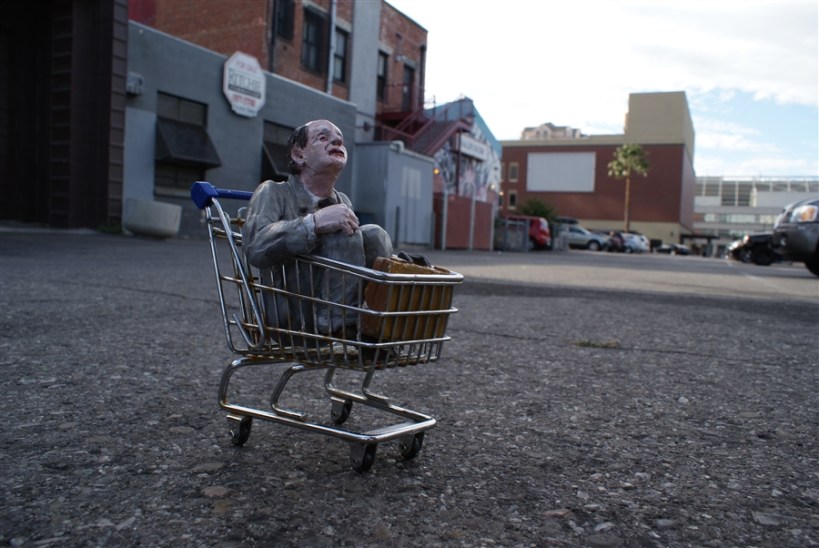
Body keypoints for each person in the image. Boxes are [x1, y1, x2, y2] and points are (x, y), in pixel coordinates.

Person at [242, 119, 393, 337]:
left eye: (340, 140)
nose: (337, 142)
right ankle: (338, 325)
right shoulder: (272, 192)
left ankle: (373, 323)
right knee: (344, 234)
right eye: (323, 138)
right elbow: (256, 248)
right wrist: (313, 223)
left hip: (337, 310)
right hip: (293, 317)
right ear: (298, 155)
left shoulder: (342, 201)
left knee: (376, 235)